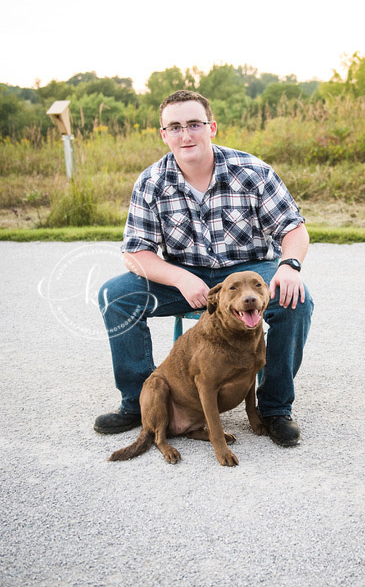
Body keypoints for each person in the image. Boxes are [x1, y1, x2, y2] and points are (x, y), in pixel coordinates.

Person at [95, 90, 313, 447]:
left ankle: (274, 407)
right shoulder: (151, 182)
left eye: (194, 124)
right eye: (175, 127)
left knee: (296, 301)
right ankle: (139, 401)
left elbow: (293, 228)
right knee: (116, 295)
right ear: (163, 134)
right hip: (184, 276)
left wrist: (289, 265)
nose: (186, 135)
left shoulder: (253, 171)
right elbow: (135, 253)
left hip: (248, 273)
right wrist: (179, 278)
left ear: (211, 127)